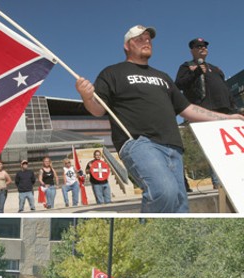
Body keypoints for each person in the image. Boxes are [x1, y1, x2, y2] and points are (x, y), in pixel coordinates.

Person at [75, 25, 243, 213]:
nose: (146, 41)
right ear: (126, 46)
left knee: (180, 205)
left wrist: (227, 118)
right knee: (164, 192)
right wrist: (87, 96)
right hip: (139, 142)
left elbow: (188, 109)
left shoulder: (162, 77)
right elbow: (98, 110)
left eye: (148, 39)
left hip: (173, 146)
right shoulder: (112, 73)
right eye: (139, 39)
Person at [175, 37, 238, 189]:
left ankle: (235, 179)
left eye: (204, 46)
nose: (202, 48)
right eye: (198, 46)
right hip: (205, 112)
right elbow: (178, 85)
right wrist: (195, 73)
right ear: (192, 50)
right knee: (215, 147)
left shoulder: (216, 68)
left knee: (230, 148)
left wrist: (234, 108)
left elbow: (225, 90)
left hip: (225, 112)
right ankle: (218, 183)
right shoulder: (187, 66)